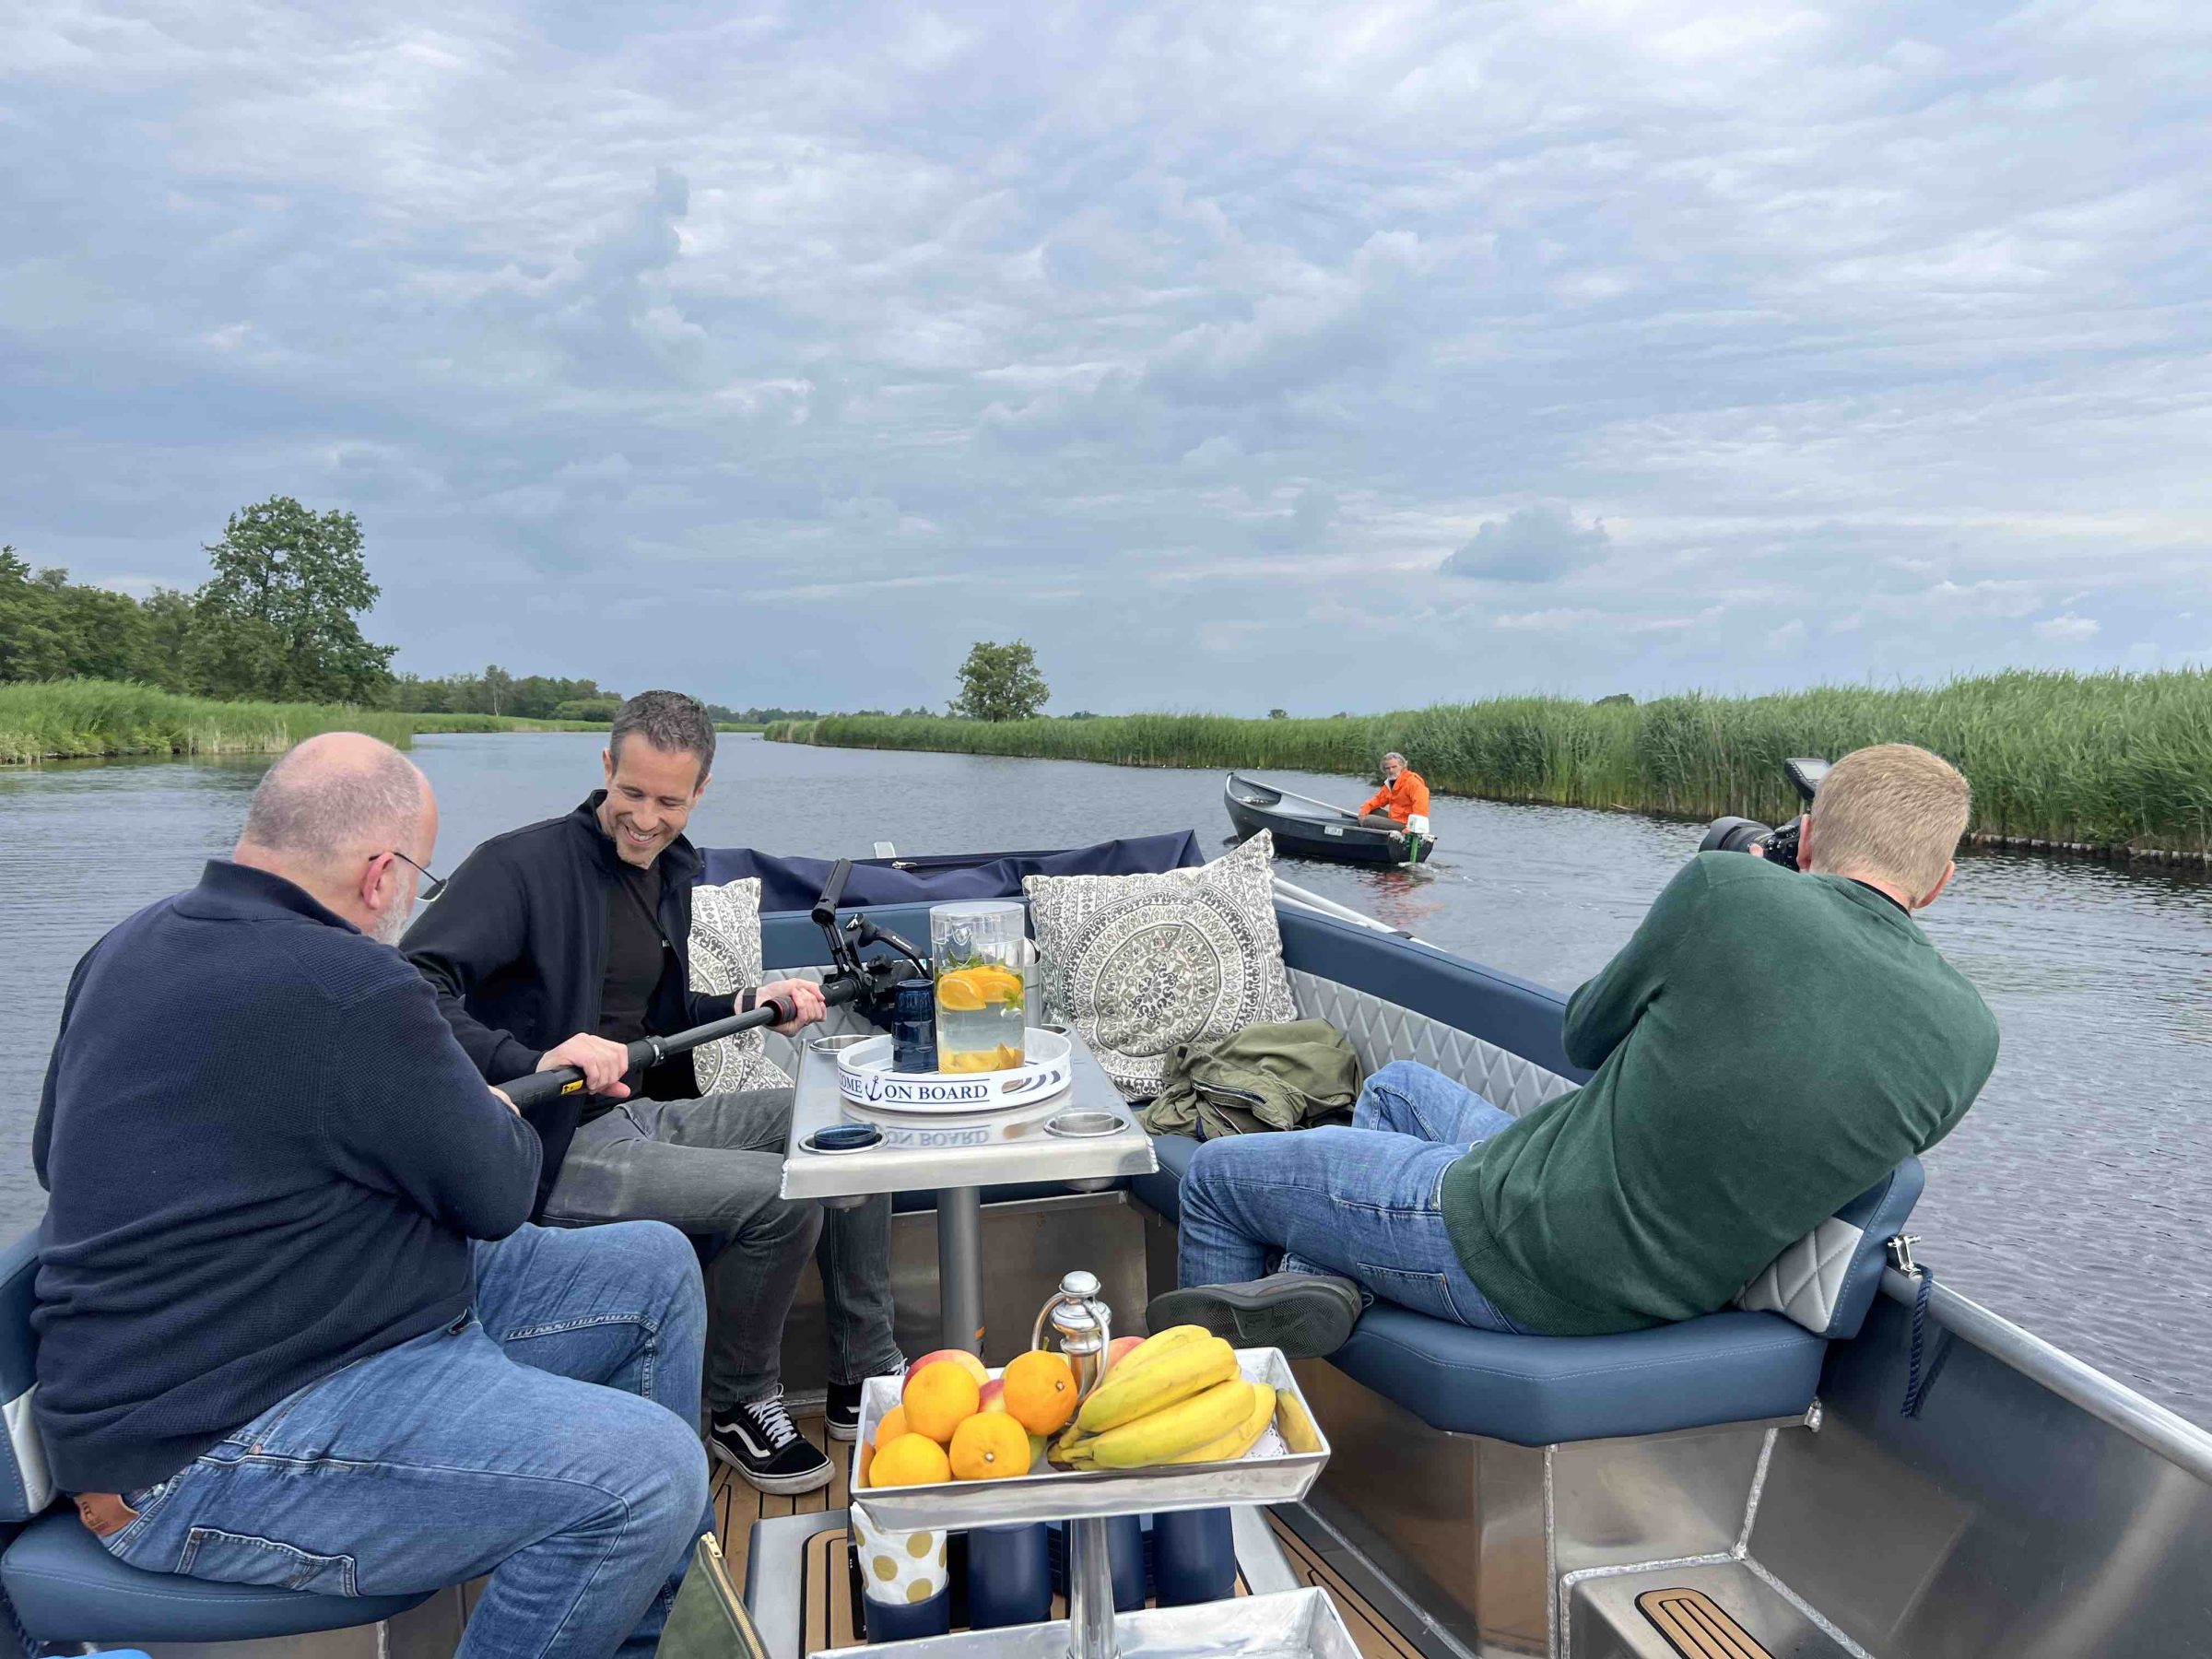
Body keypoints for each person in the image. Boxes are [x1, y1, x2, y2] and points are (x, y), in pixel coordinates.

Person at [33, 734, 711, 1657]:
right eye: (421, 877)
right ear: (381, 873)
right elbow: (499, 1189)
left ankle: (631, 1635)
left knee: (653, 1268)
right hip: (204, 1445)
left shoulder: (124, 945)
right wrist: (486, 1098)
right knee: (649, 1475)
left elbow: (52, 1157)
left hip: (334, 1321)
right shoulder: (354, 986)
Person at [1149, 743, 1999, 1353]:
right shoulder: (1973, 1036)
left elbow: (1584, 1037)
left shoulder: (1729, 890)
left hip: (1520, 1250)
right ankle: (1335, 1273)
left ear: (1806, 839)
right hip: (1665, 1285)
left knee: (1218, 1181)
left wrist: (1749, 898)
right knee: (1399, 1088)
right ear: (1940, 883)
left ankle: (1212, 1476)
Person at [404, 690, 902, 1495]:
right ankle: (741, 1404)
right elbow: (412, 985)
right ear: (606, 766)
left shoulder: (669, 871)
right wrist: (531, 1057)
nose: (645, 819)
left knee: (847, 1123)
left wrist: (744, 1003)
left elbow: (654, 1022)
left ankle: (864, 1376)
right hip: (549, 1144)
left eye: (669, 802)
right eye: (631, 793)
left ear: (700, 791)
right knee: (781, 1196)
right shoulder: (516, 866)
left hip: (638, 1114)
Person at [1356, 752, 1429, 835]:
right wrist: (1363, 811)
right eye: (1388, 768)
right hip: (1395, 819)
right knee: (1371, 810)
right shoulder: (1391, 782)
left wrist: (1410, 829)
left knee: (1369, 820)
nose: (1391, 771)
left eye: (1394, 767)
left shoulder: (1413, 782)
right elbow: (1378, 799)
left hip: (1407, 825)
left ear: (1403, 766)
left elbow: (1421, 808)